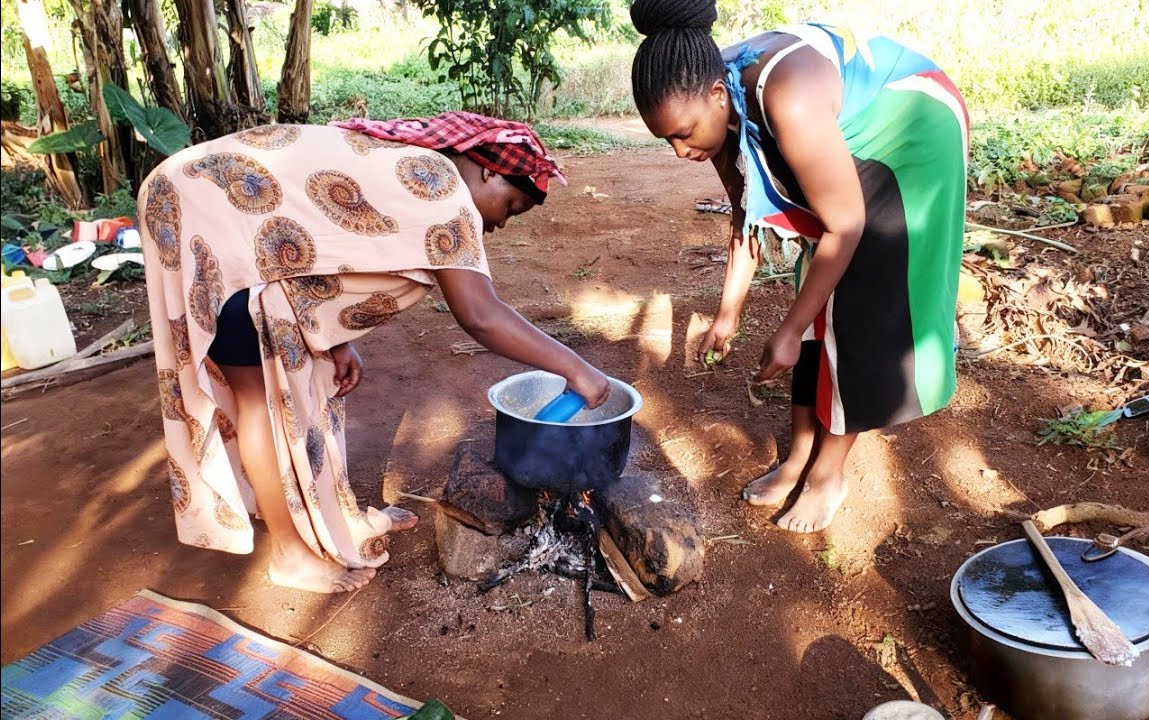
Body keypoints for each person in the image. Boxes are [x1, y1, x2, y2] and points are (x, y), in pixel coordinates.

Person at [139, 113, 610, 593]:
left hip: (229, 225)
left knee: (309, 382)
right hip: (209, 226)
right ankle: (288, 554)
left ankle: (326, 516)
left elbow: (329, 243)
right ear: (488, 171)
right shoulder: (443, 192)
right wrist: (577, 369)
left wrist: (339, 338)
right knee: (257, 401)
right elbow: (480, 316)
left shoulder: (416, 176)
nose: (500, 224)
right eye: (510, 206)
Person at [629, 1, 968, 533]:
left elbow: (846, 226)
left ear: (719, 96)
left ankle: (827, 474)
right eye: (666, 138)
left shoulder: (787, 99)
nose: (678, 151)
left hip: (909, 127)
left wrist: (786, 332)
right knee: (819, 304)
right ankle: (796, 459)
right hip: (842, 129)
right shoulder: (711, 99)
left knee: (858, 305)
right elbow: (746, 214)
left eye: (684, 132)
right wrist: (727, 314)